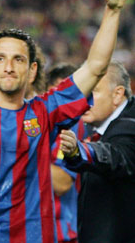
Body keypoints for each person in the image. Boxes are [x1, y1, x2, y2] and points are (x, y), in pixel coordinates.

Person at [0, 0, 127, 243]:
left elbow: (95, 66)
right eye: (1, 59)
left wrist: (113, 11)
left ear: (33, 71)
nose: (9, 67)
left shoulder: (46, 111)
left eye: (18, 59)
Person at [60, 60, 135, 243]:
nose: (82, 99)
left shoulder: (130, 128)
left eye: (92, 91)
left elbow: (114, 156)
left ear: (117, 95)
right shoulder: (97, 128)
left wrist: (80, 151)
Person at [47, 63, 87, 243]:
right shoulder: (40, 120)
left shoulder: (71, 125)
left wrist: (18, 157)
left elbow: (61, 182)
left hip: (61, 233)